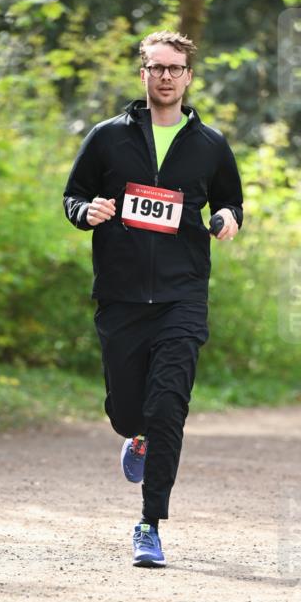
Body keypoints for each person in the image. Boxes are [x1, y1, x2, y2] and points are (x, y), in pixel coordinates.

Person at [63, 29, 243, 567]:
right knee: (126, 410)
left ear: (188, 76)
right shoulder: (106, 137)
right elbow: (73, 195)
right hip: (119, 295)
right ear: (142, 73)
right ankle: (133, 434)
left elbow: (233, 200)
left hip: (181, 297)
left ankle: (150, 524)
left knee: (168, 407)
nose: (165, 76)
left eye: (175, 69)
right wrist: (84, 212)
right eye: (156, 67)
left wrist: (229, 218)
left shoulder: (210, 144)